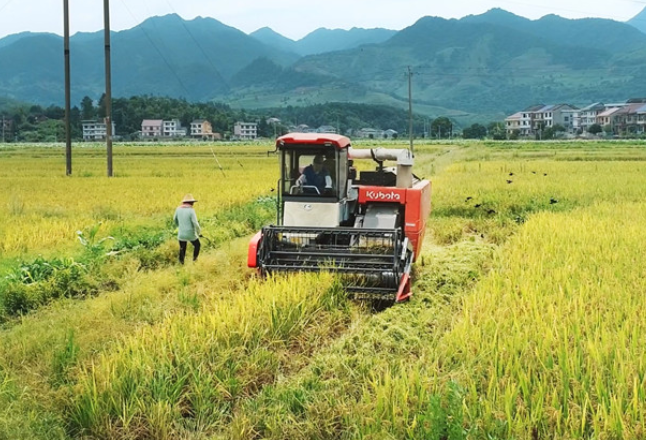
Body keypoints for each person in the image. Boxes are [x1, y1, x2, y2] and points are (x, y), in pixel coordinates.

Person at [173, 194, 201, 264]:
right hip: (191, 233)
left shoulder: (178, 209)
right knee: (197, 245)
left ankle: (181, 263)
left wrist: (179, 226)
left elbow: (174, 219)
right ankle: (195, 260)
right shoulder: (191, 210)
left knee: (182, 248)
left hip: (181, 233)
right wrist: (199, 232)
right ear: (191, 202)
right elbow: (195, 223)